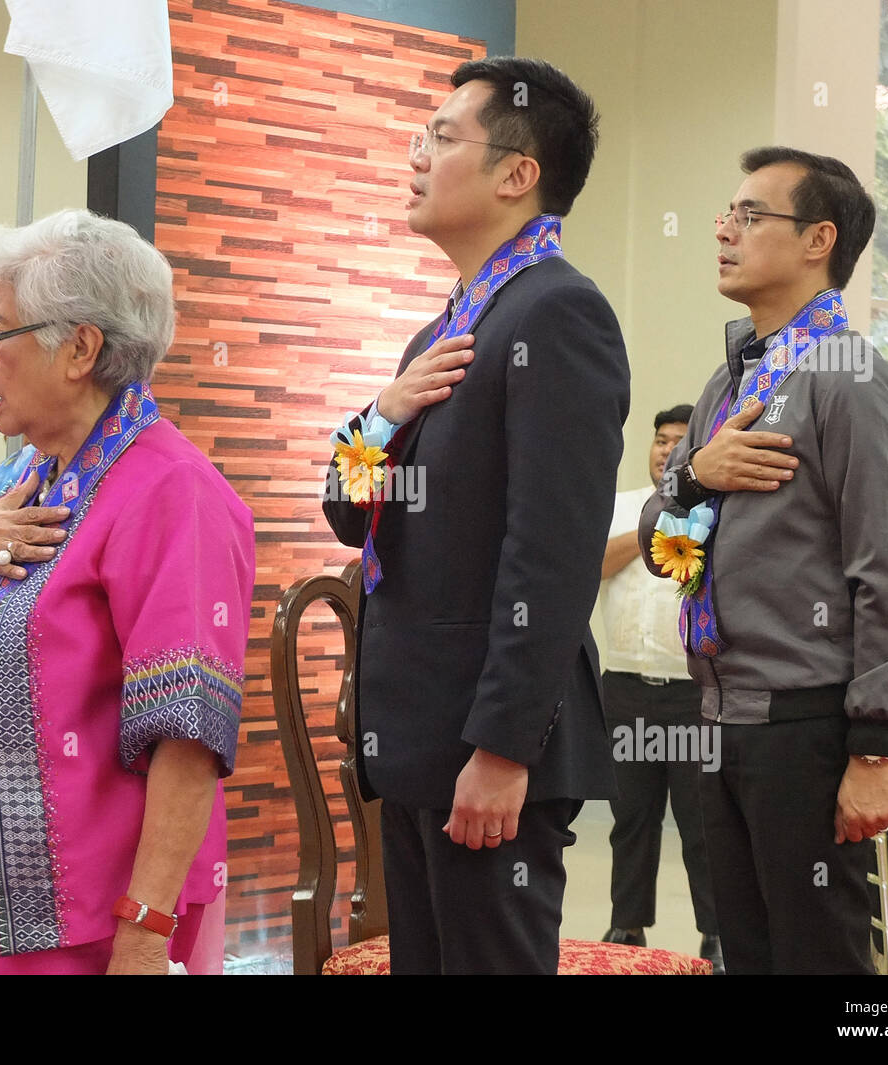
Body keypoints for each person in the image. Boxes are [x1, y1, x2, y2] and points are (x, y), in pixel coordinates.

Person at [0, 208, 255, 975]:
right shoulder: (20, 477)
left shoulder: (173, 493)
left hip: (81, 916)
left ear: (79, 348)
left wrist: (144, 931)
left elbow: (189, 731)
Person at [322, 56, 629, 974]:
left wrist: (502, 747)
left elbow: (553, 553)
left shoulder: (558, 311)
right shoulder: (449, 327)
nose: (415, 154)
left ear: (516, 173)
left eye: (441, 137)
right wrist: (382, 413)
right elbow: (347, 510)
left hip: (484, 746)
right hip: (417, 732)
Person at [639, 147, 888, 974]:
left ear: (818, 240)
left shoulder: (851, 380)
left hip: (805, 725)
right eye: (726, 215)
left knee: (819, 957)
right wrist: (699, 472)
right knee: (750, 953)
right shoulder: (728, 386)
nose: (724, 231)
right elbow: (665, 540)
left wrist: (874, 751)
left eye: (749, 215)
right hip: (719, 717)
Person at [598, 404, 721, 972]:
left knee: (702, 823)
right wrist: (650, 531)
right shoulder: (619, 506)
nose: (667, 450)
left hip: (692, 695)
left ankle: (716, 933)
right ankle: (627, 925)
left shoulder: (715, 509)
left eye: (680, 441)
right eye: (660, 440)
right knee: (632, 817)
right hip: (624, 687)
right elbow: (592, 566)